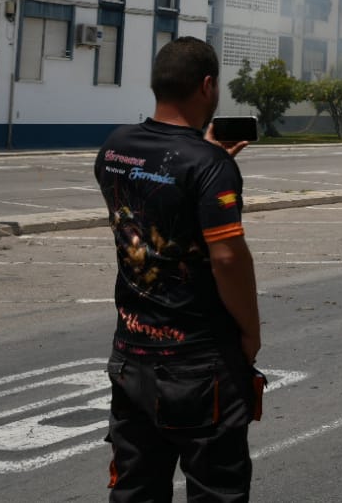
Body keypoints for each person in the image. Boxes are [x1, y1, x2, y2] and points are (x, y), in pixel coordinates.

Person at [95, 37, 262, 502]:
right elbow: (227, 258)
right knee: (216, 489)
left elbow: (155, 201)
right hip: (198, 364)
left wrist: (207, 158)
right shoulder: (208, 166)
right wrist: (250, 331)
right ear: (207, 86)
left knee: (135, 489)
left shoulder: (115, 147)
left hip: (130, 355)